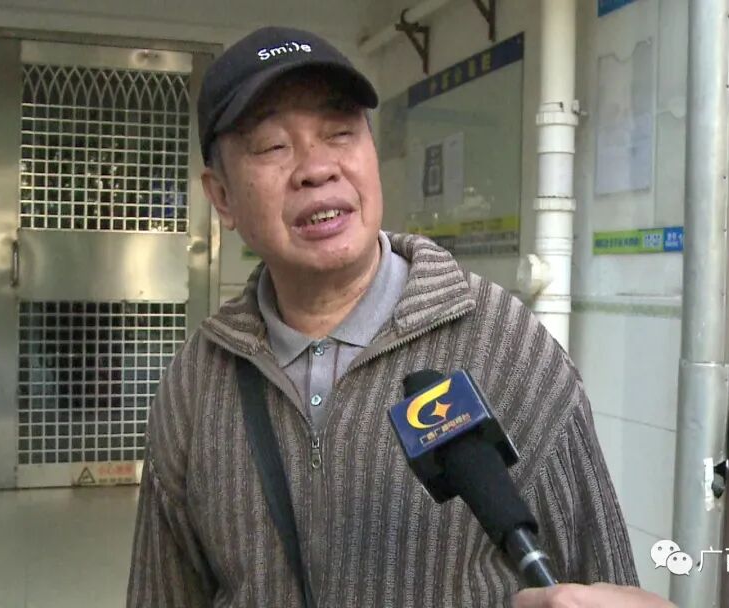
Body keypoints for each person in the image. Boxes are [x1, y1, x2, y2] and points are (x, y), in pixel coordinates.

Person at [128, 26, 669, 607]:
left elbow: (601, 581)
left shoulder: (506, 344)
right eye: (271, 146)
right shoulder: (197, 381)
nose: (317, 168)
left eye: (340, 133)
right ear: (222, 197)